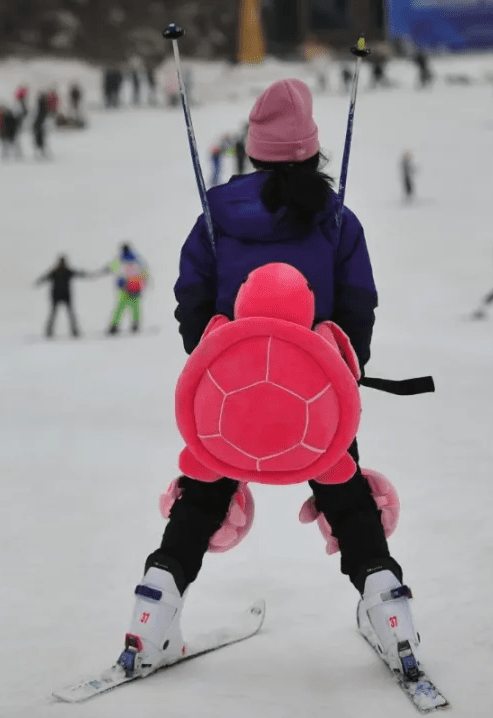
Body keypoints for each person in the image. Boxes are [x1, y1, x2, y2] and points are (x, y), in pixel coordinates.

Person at [120, 78, 421, 683]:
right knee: (347, 499)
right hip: (315, 390)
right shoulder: (336, 220)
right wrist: (344, 369)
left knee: (203, 495)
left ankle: (151, 612)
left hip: (228, 394)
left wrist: (215, 363)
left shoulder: (216, 215)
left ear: (254, 150)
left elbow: (191, 296)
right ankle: (392, 615)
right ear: (312, 150)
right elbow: (358, 301)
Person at [35, 254, 90, 338]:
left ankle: (72, 331)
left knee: (64, 314)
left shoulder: (60, 271)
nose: (62, 264)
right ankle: (70, 331)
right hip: (60, 296)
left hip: (62, 295)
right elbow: (45, 277)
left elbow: (78, 273)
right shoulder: (60, 271)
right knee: (58, 314)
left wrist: (39, 281)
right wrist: (39, 281)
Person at [100, 242, 148, 335]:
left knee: (120, 307)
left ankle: (114, 326)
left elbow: (111, 267)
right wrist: (144, 282)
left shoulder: (120, 259)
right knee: (135, 308)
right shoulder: (137, 259)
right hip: (136, 286)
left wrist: (102, 270)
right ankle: (135, 325)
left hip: (124, 287)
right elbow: (144, 272)